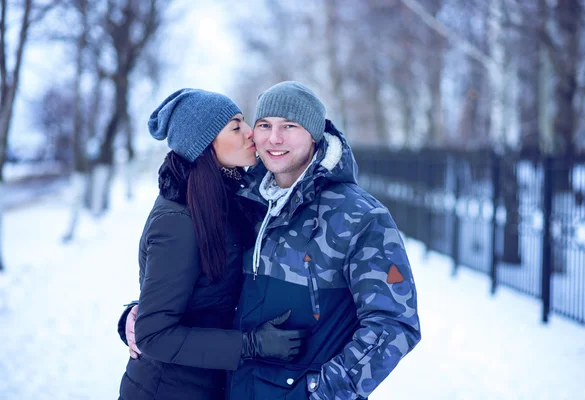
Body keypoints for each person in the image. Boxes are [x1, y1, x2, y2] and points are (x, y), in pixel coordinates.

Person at [123, 81, 421, 399]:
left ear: (314, 134)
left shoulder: (360, 216)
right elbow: (202, 292)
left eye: (289, 126)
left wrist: (324, 392)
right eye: (264, 124)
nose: (271, 137)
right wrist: (141, 314)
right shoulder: (246, 201)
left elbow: (393, 323)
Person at [118, 88, 307, 400]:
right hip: (167, 391)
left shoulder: (227, 198)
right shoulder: (179, 220)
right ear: (204, 145)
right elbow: (154, 334)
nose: (250, 133)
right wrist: (252, 344)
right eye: (235, 126)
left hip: (209, 386)